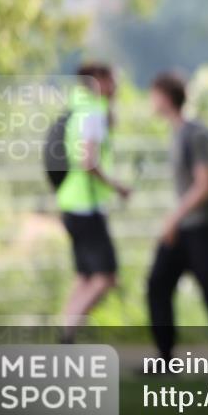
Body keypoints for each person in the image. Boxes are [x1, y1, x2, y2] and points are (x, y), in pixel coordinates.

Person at [147, 72, 208, 364]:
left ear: (166, 97)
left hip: (205, 227)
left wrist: (173, 217)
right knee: (158, 284)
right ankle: (164, 357)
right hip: (185, 228)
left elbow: (207, 184)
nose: (151, 100)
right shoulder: (177, 133)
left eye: (154, 94)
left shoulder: (196, 134)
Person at [58, 63, 131, 343]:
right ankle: (66, 336)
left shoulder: (77, 108)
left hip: (71, 202)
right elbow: (88, 161)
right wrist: (117, 186)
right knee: (105, 276)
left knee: (85, 275)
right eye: (113, 80)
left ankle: (64, 333)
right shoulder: (93, 112)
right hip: (86, 206)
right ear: (99, 80)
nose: (116, 87)